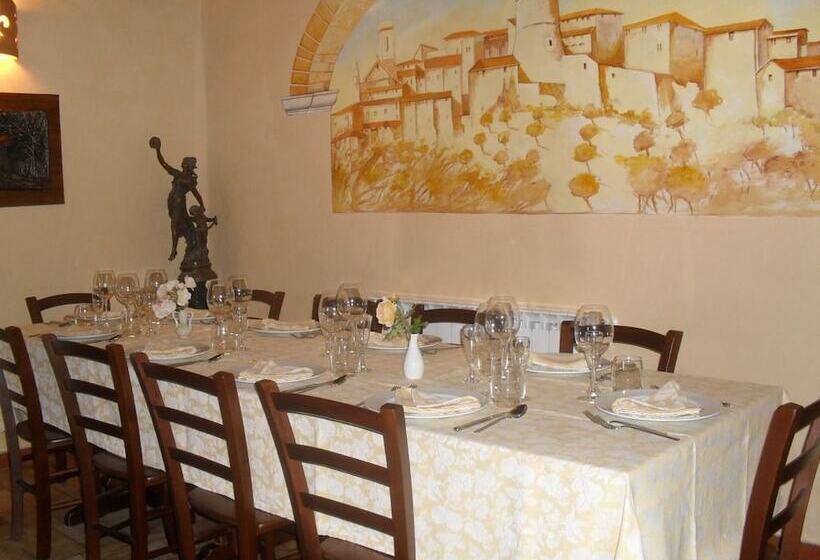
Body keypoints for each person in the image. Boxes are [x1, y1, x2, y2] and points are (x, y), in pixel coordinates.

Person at [148, 136, 205, 261]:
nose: (184, 166)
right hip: (172, 201)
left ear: (189, 166)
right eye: (184, 164)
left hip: (179, 202)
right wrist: (158, 150)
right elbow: (164, 164)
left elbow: (196, 193)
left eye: (186, 165)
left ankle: (174, 250)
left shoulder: (189, 180)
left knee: (174, 224)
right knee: (175, 223)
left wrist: (202, 205)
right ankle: (175, 248)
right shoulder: (178, 174)